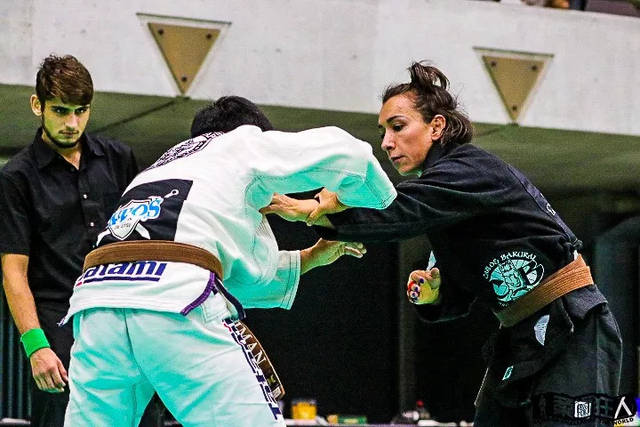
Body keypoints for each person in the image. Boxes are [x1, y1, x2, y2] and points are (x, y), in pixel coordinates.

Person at [261, 62, 623, 426]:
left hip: (572, 322)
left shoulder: (469, 168)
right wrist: (436, 294)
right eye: (384, 132)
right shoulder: (444, 202)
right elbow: (459, 297)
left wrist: (316, 211)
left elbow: (399, 211)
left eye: (398, 127)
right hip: (520, 333)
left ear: (437, 126)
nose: (386, 143)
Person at [60, 95, 397, 426]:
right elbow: (350, 154)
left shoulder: (155, 171)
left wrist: (309, 258)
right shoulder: (241, 142)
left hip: (96, 306)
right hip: (175, 300)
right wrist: (364, 204)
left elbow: (223, 279)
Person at [0, 54, 139, 426]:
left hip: (124, 321)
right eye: (60, 111)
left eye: (81, 111)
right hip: (58, 331)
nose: (71, 123)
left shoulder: (119, 159)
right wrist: (36, 347)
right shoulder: (16, 177)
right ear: (38, 105)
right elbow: (13, 272)